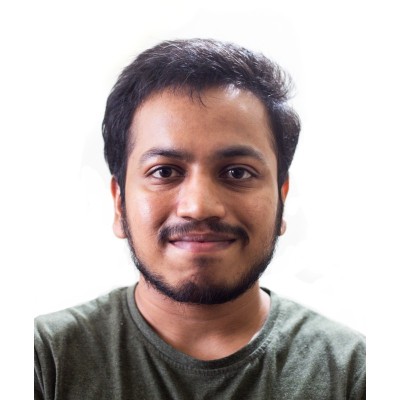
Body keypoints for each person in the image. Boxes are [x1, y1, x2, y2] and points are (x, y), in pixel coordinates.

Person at [34, 39, 366, 399]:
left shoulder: (354, 372)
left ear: (281, 199)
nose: (199, 206)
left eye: (237, 172)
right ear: (119, 203)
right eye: (164, 172)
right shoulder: (44, 361)